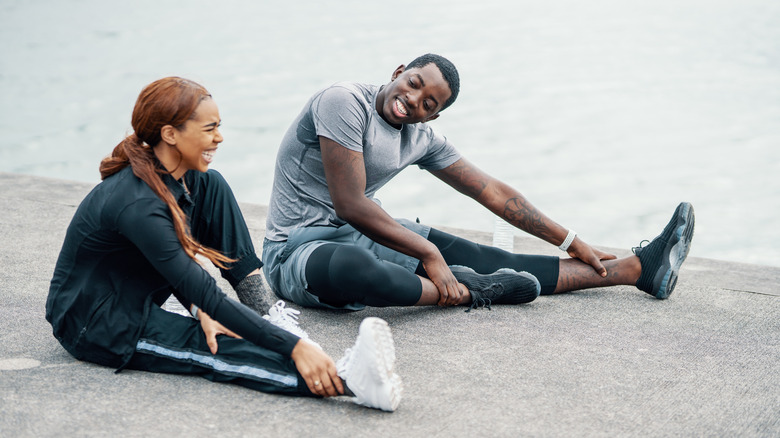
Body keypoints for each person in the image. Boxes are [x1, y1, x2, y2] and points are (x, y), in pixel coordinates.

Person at [45, 77, 402, 412]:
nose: (219, 138)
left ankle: (263, 311)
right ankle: (348, 382)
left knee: (211, 184)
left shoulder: (178, 180)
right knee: (209, 347)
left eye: (219, 126)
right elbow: (203, 291)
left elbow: (187, 280)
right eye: (209, 128)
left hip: (132, 289)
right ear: (170, 134)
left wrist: (202, 311)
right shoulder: (138, 204)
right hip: (97, 322)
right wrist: (295, 347)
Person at [262, 53, 695, 312]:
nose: (413, 100)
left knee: (478, 254)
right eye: (413, 83)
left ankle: (636, 271)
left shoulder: (420, 137)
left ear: (434, 116)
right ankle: (469, 290)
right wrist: (428, 255)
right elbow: (350, 204)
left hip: (362, 234)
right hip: (295, 250)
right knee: (354, 268)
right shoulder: (343, 102)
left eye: (428, 103)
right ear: (398, 71)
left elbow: (492, 191)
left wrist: (570, 239)